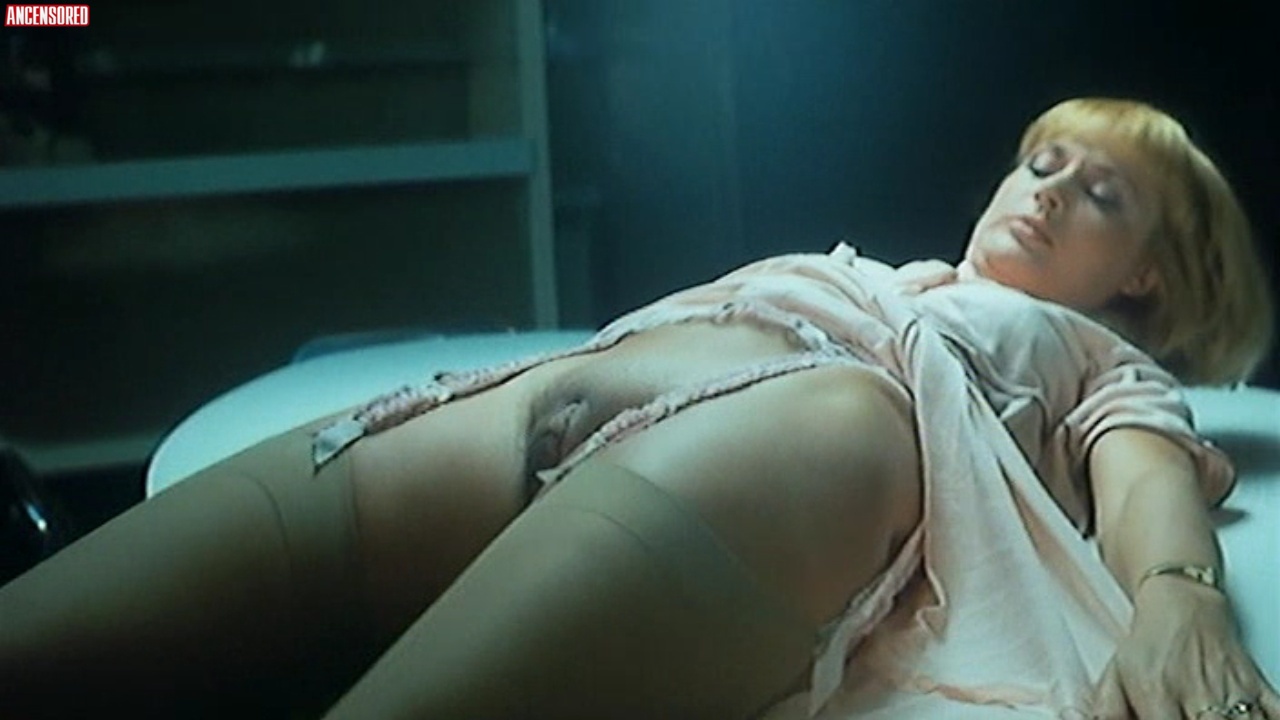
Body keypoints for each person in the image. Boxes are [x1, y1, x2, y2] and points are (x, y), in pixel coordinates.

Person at [0, 97, 1276, 719]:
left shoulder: (1093, 356)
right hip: (518, 411)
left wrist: (1175, 599)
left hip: (792, 450)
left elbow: (1144, 463)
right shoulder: (891, 276)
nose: (1046, 190)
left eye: (1100, 194)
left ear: (1150, 276)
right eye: (1042, 161)